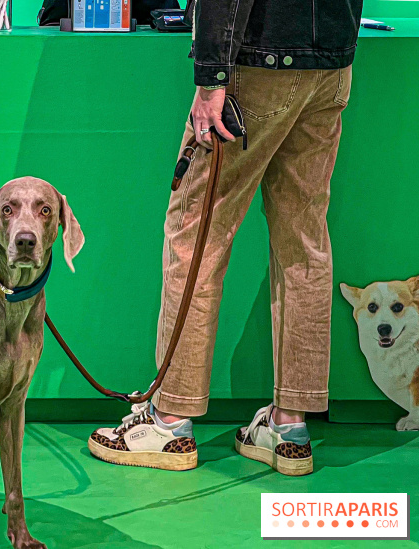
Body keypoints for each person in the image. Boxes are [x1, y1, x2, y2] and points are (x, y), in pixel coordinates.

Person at [88, 0, 363, 475]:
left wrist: (211, 76)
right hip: (333, 63)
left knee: (196, 231)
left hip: (258, 63)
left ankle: (169, 420)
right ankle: (290, 425)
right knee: (304, 238)